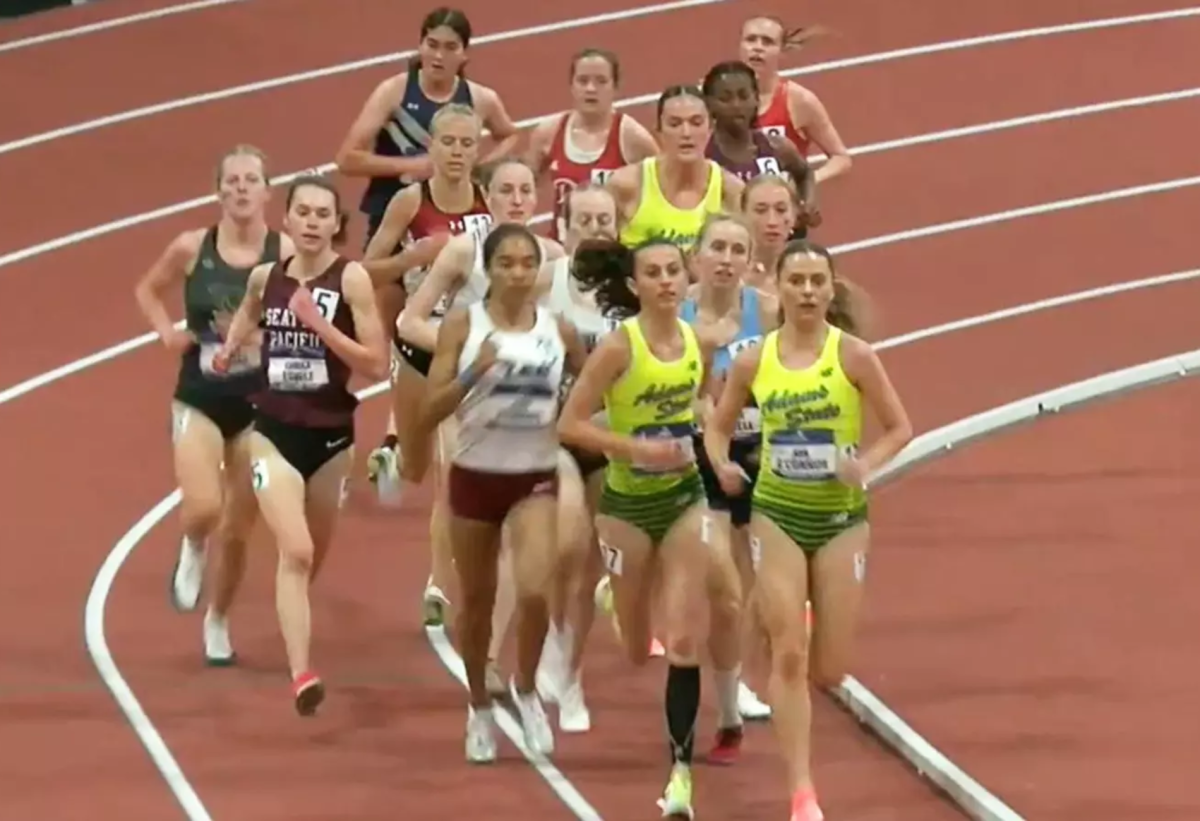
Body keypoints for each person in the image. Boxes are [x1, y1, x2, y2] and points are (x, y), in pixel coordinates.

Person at [703, 239, 911, 821]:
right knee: (789, 658)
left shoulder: (854, 356)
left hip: (841, 519)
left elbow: (900, 427)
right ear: (780, 289)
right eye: (796, 281)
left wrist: (864, 466)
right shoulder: (754, 360)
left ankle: (806, 610)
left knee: (830, 669)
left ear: (830, 288)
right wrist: (722, 465)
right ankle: (802, 793)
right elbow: (718, 429)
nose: (807, 292)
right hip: (776, 513)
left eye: (817, 281)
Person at [557, 237, 724, 819]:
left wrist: (702, 428)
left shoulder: (697, 341)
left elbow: (704, 400)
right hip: (625, 510)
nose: (666, 281)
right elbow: (570, 424)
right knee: (634, 648)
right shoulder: (616, 349)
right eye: (652, 273)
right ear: (634, 286)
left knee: (681, 640)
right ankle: (612, 594)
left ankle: (679, 774)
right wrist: (632, 447)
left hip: (684, 499)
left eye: (674, 271)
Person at [212, 176, 389, 716]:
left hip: (332, 438)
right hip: (272, 434)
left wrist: (319, 325)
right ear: (286, 222)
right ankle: (302, 674)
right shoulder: (268, 276)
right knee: (298, 550)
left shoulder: (351, 279)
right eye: (303, 213)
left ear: (337, 224)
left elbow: (376, 364)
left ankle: (262, 612)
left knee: (310, 561)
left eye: (322, 214)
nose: (312, 223)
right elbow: (249, 307)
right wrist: (232, 346)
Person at [417, 222, 588, 763]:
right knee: (477, 605)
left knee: (536, 590)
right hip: (473, 475)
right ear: (487, 270)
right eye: (506, 263)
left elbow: (590, 390)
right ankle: (478, 708)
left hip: (534, 475)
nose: (517, 272)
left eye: (526, 263)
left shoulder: (558, 331)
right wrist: (476, 372)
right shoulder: (463, 325)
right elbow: (427, 411)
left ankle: (529, 690)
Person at [397, 158, 565, 689]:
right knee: (448, 486)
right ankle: (443, 581)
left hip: (528, 407)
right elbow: (409, 320)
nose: (516, 199)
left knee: (527, 538)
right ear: (485, 197)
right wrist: (467, 350)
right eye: (505, 190)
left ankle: (493, 651)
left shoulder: (554, 258)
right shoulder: (463, 252)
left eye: (524, 190)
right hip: (466, 388)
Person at [334, 6, 518, 482]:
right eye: (431, 44)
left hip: (468, 325)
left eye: (449, 46)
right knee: (416, 460)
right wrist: (408, 174)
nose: (438, 54)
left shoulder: (481, 107)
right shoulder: (395, 93)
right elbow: (347, 159)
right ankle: (399, 430)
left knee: (457, 458)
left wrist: (484, 169)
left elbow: (510, 135)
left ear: (465, 54)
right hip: (401, 228)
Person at [133, 144, 293, 665]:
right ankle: (192, 545)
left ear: (268, 191)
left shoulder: (285, 251)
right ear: (218, 190)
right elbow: (147, 289)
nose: (241, 188)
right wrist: (165, 333)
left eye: (251, 179)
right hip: (199, 397)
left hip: (258, 404)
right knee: (204, 507)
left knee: (240, 529)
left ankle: (218, 619)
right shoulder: (191, 246)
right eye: (232, 180)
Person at [358, 104, 493, 627]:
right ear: (431, 148)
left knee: (449, 470)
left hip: (461, 347)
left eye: (466, 144)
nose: (458, 153)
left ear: (477, 149)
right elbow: (367, 270)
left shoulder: (490, 198)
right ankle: (396, 455)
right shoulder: (410, 202)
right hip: (416, 345)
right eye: (449, 143)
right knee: (416, 467)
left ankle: (438, 583)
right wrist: (416, 259)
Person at [681, 213, 779, 759]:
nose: (725, 258)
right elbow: (672, 388)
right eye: (715, 247)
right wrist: (709, 406)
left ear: (748, 260)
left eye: (735, 250)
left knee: (750, 586)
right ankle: (728, 703)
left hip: (758, 454)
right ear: (696, 256)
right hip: (700, 456)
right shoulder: (679, 312)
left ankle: (733, 684)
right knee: (725, 588)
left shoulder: (764, 312)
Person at [531, 183, 625, 734]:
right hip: (554, 436)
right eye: (582, 218)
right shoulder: (547, 282)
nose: (593, 227)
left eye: (603, 219)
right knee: (565, 544)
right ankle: (547, 641)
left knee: (595, 564)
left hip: (611, 442)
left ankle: (570, 674)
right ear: (563, 226)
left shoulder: (632, 288)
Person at [526, 48, 658, 242]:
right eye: (583, 80)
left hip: (613, 249)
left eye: (601, 81)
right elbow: (523, 186)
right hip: (563, 248)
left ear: (615, 87)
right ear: (571, 85)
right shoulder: (548, 133)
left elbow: (661, 190)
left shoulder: (632, 137)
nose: (591, 89)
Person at [608, 85, 745, 256]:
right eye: (674, 124)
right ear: (658, 130)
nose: (686, 133)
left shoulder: (730, 191)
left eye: (696, 123)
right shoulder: (627, 185)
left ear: (711, 128)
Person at [701, 60, 819, 237]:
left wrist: (806, 204)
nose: (736, 105)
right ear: (709, 104)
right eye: (725, 98)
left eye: (743, 96)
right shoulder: (705, 158)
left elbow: (805, 174)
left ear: (756, 99)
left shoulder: (777, 146)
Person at [738, 16, 851, 184]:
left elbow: (841, 158)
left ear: (782, 51)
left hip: (780, 206)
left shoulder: (799, 100)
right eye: (751, 39)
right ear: (740, 45)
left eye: (767, 42)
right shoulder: (715, 97)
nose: (757, 48)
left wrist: (805, 183)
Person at [741, 173, 801, 296]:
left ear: (794, 216)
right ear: (743, 214)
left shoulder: (811, 274)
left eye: (781, 210)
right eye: (761, 211)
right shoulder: (728, 275)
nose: (771, 221)